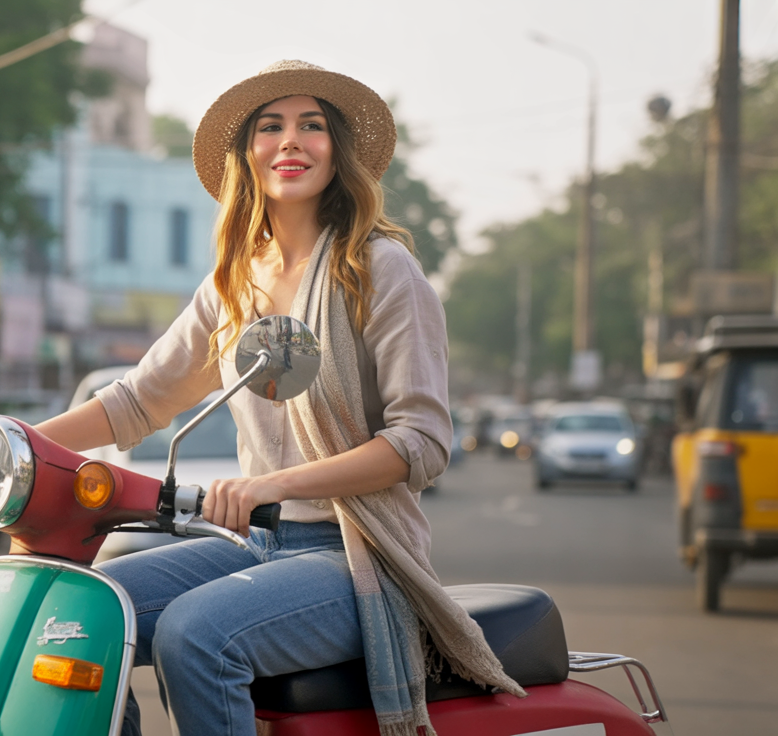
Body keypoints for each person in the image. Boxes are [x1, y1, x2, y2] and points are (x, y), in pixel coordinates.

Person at [33, 61, 521, 736]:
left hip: (355, 555)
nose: (291, 141)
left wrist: (271, 482)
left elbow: (422, 443)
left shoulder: (380, 271)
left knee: (193, 636)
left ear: (337, 151)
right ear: (248, 154)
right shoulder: (233, 283)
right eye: (271, 126)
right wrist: (16, 449)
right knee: (75, 619)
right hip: (254, 543)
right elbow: (136, 402)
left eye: (312, 125)